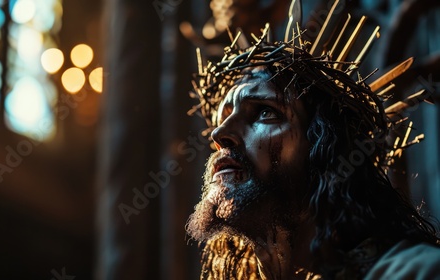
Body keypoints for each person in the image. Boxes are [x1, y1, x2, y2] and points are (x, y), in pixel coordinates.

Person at [185, 23, 440, 279]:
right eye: (223, 118)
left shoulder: (418, 271)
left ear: (325, 148)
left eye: (264, 112)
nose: (219, 135)